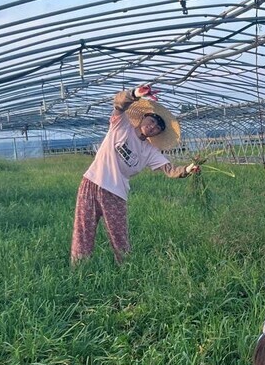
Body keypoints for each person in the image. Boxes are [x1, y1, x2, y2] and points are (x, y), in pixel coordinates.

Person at [70, 84, 199, 264]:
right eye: (152, 120)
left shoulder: (150, 151)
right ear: (144, 117)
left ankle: (125, 268)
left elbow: (170, 170)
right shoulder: (122, 126)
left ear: (159, 133)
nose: (153, 126)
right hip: (91, 182)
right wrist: (135, 94)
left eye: (159, 127)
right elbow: (119, 104)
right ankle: (79, 269)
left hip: (116, 193)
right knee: (83, 230)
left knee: (119, 236)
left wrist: (187, 169)